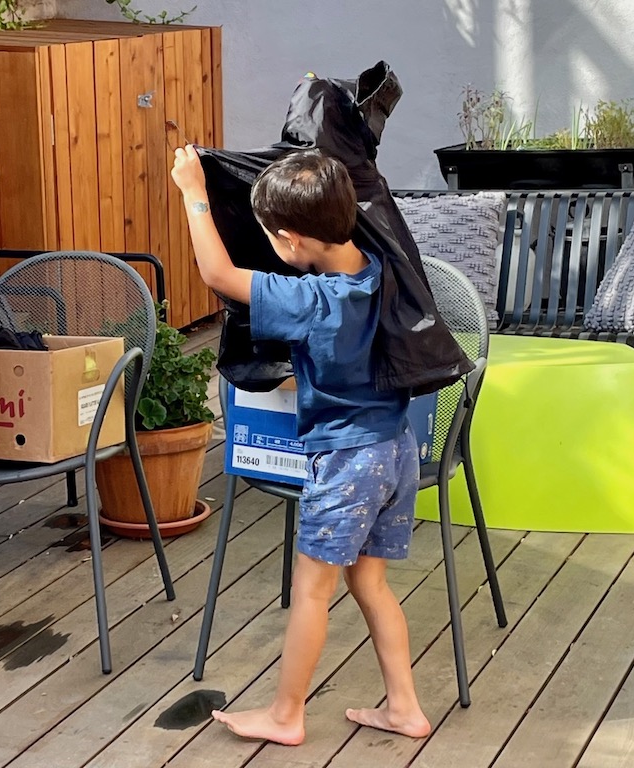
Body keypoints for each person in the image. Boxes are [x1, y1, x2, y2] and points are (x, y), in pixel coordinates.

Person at [171, 145, 431, 745]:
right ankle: (404, 707)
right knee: (371, 585)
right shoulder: (386, 265)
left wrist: (194, 195)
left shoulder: (314, 301)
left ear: (289, 241)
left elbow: (219, 276)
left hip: (346, 462)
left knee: (313, 590)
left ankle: (286, 715)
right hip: (396, 448)